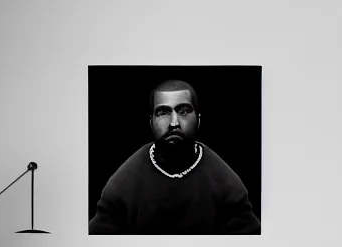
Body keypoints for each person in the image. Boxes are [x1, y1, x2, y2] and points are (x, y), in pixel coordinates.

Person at [89, 79, 261, 234]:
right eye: (163, 112)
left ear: (198, 121)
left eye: (184, 111)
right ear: (151, 122)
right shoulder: (121, 186)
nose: (173, 123)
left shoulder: (227, 186)